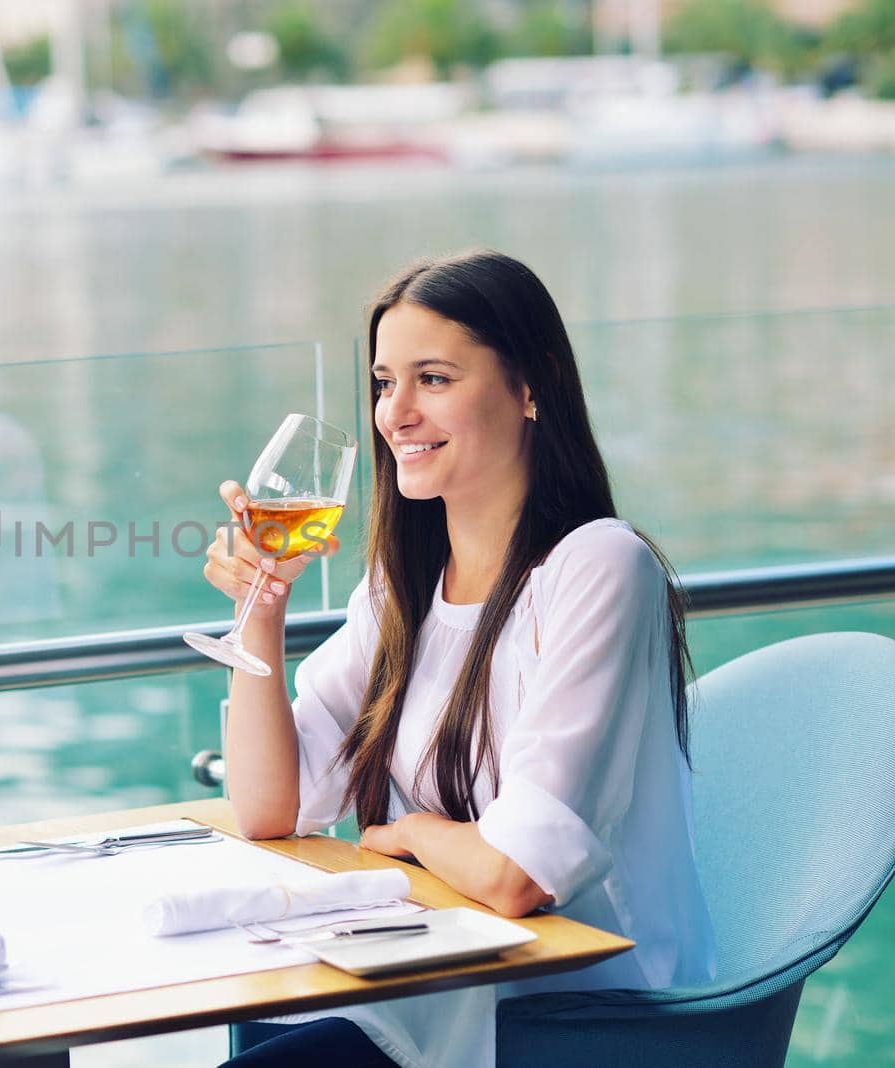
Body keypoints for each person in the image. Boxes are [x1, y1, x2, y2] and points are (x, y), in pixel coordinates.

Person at [204, 251, 716, 1067]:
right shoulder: (401, 586)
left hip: (578, 1024)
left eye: (433, 379)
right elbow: (270, 808)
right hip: (434, 995)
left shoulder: (599, 568)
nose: (394, 413)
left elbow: (518, 875)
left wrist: (409, 830)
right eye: (382, 383)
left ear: (530, 385)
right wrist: (259, 610)